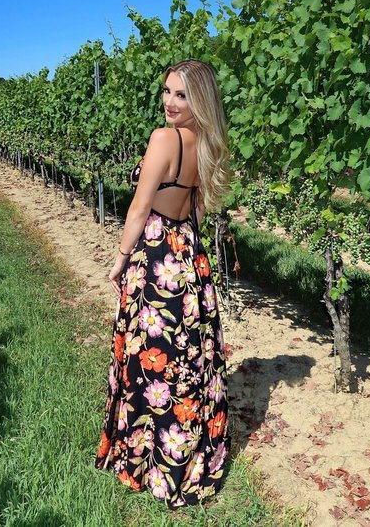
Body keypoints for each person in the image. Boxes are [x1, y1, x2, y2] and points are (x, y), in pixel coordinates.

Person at [95, 59, 230, 508]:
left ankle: (146, 461)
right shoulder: (204, 142)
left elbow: (139, 207)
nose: (170, 102)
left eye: (181, 95)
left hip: (156, 256)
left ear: (200, 100)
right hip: (189, 256)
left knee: (148, 361)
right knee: (185, 361)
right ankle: (182, 456)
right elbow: (196, 210)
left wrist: (120, 259)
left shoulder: (164, 139)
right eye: (167, 91)